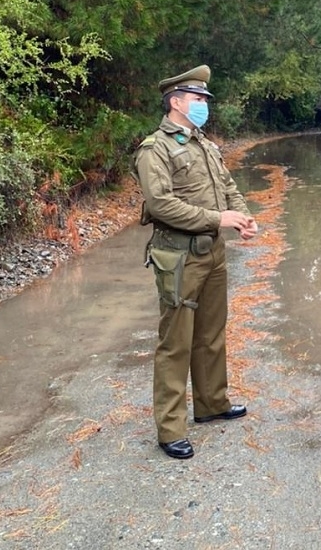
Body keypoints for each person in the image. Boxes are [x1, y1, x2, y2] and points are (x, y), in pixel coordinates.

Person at [132, 64, 258, 460]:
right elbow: (161, 204)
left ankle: (212, 403)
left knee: (211, 332)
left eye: (205, 99)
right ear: (175, 102)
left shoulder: (204, 144)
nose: (204, 104)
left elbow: (227, 186)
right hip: (179, 257)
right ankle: (170, 429)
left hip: (213, 253)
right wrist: (217, 219)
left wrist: (242, 216)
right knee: (175, 343)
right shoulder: (156, 149)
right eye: (198, 99)